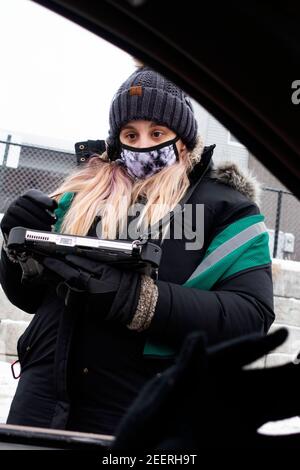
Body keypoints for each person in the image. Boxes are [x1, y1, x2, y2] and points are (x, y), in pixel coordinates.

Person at [0, 65, 275, 436]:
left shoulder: (228, 208)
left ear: (183, 139)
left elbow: (251, 317)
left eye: (157, 132)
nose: (142, 144)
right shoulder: (79, 196)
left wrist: (140, 301)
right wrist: (16, 245)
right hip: (39, 406)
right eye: (131, 133)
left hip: (137, 415)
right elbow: (30, 297)